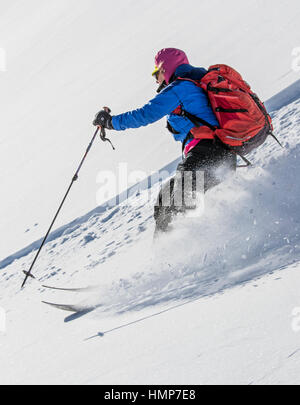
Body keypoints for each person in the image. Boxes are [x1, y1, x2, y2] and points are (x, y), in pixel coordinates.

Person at [93, 48, 237, 235]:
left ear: (165, 69)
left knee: (173, 203)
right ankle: (178, 250)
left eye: (156, 72)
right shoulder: (194, 83)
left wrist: (111, 122)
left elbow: (146, 114)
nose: (155, 79)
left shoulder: (179, 88)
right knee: (167, 202)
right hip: (220, 157)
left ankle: (176, 253)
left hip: (208, 154)